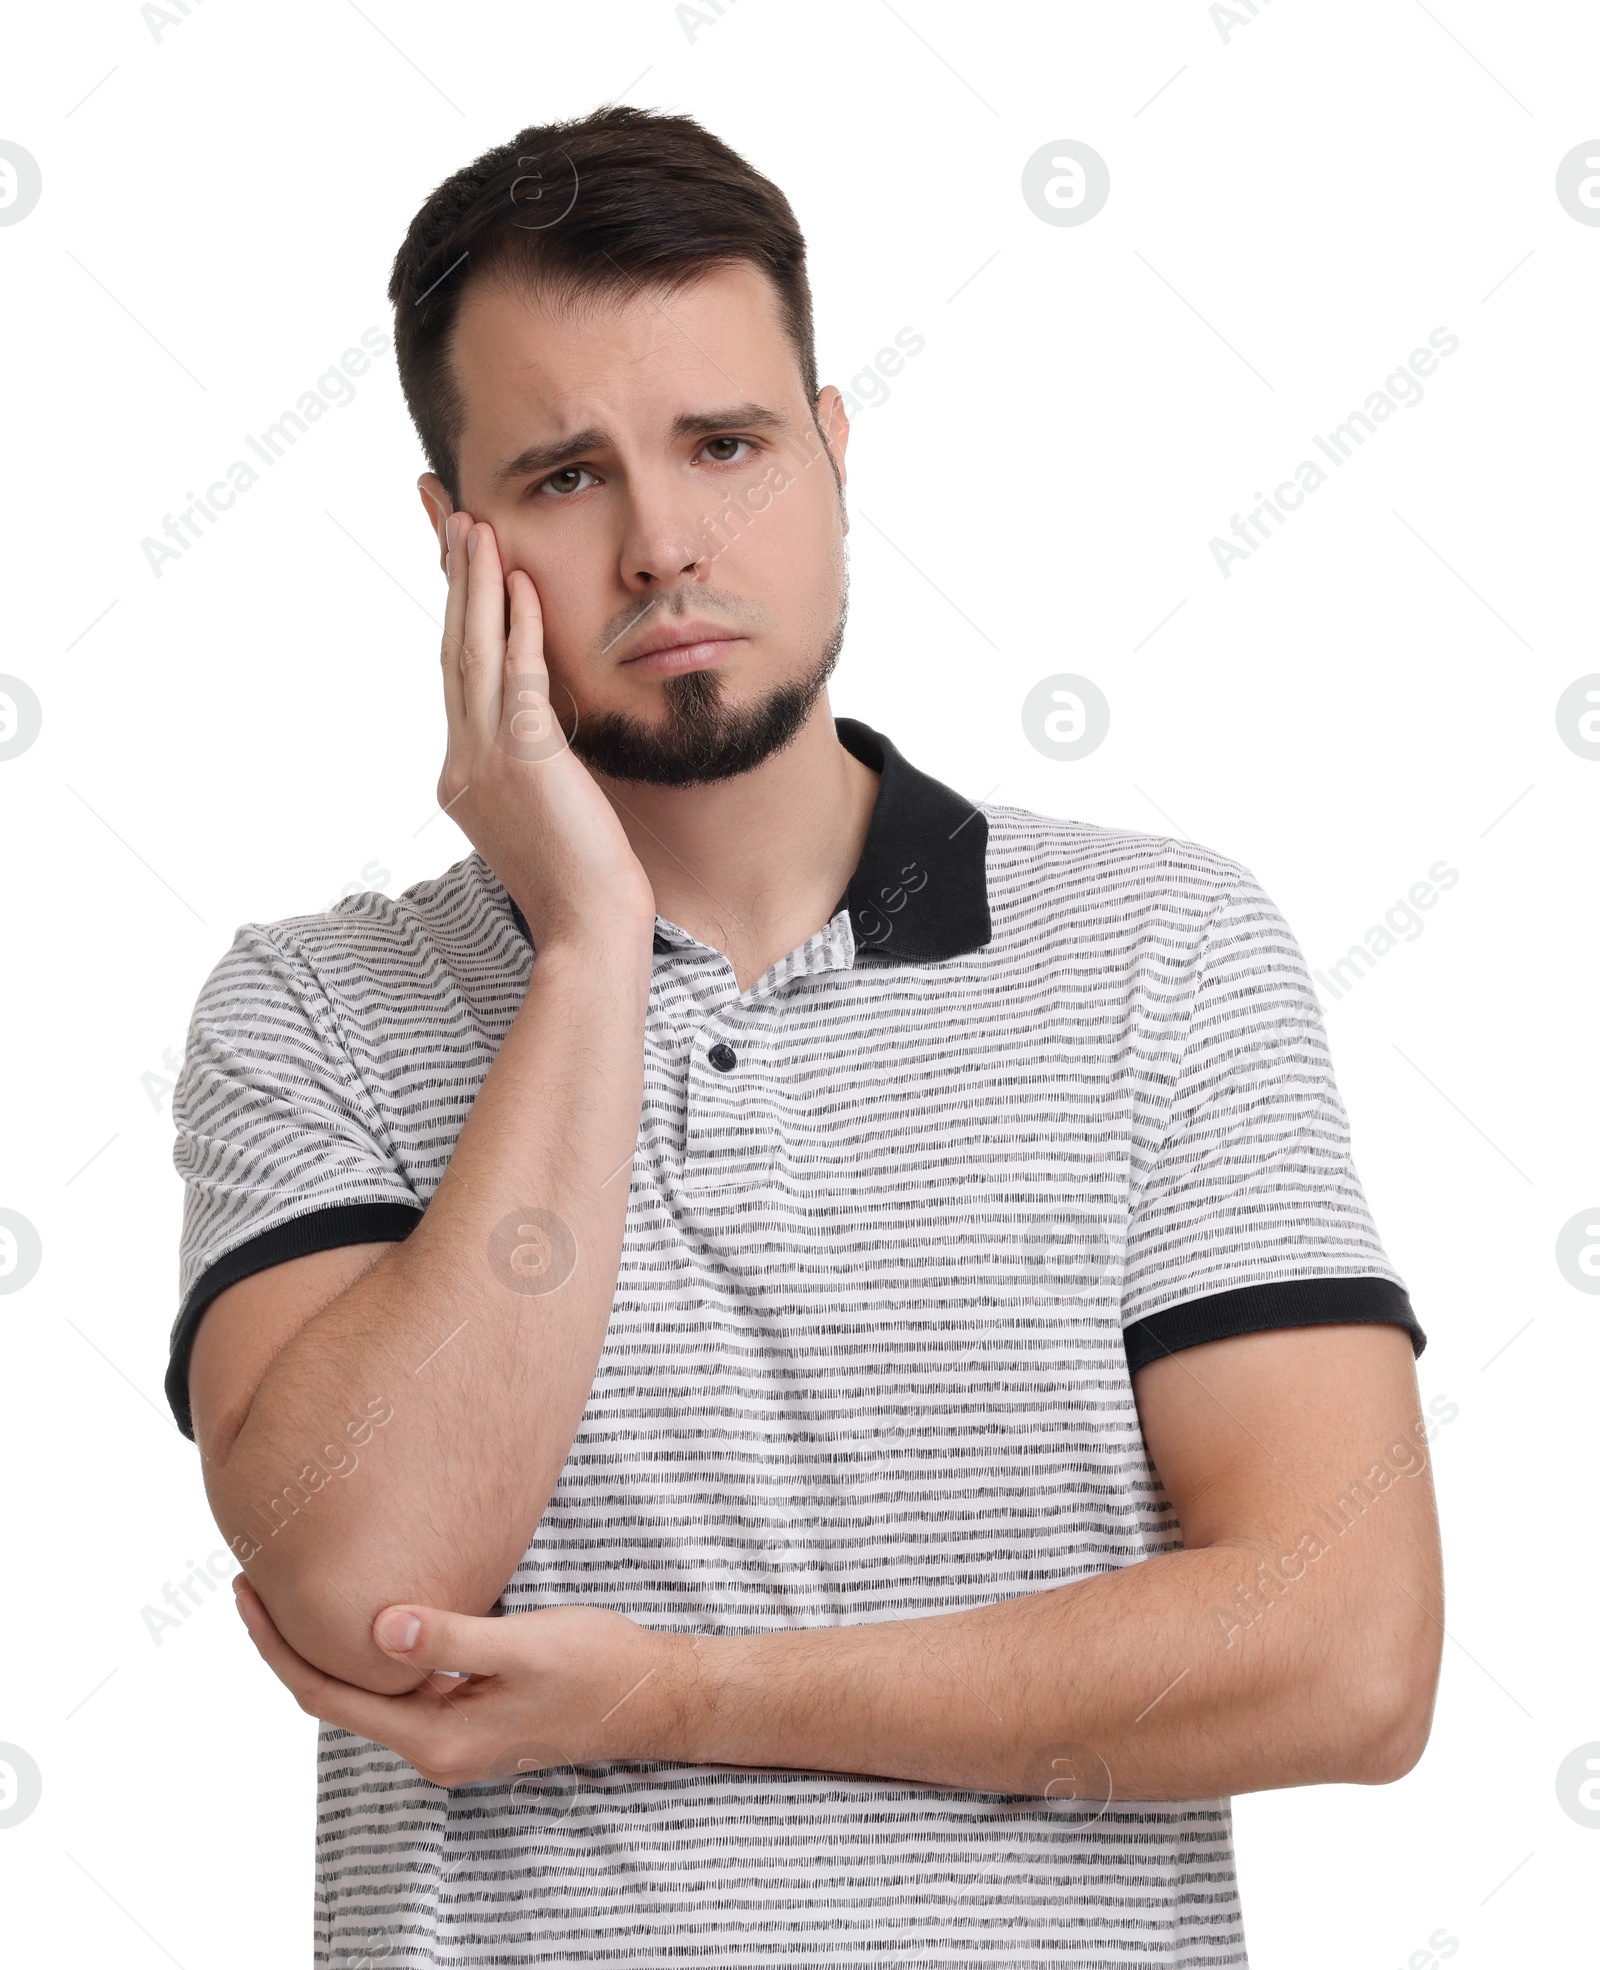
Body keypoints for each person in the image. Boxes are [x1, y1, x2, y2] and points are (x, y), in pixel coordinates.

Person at [166, 104, 1443, 1968]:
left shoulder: (1162, 956)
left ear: (835, 450)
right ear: (456, 542)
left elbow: (1350, 1659)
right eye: (565, 476)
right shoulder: (312, 1014)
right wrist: (595, 950)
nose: (667, 542)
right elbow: (371, 1589)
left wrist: (674, 1695)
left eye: (726, 445)